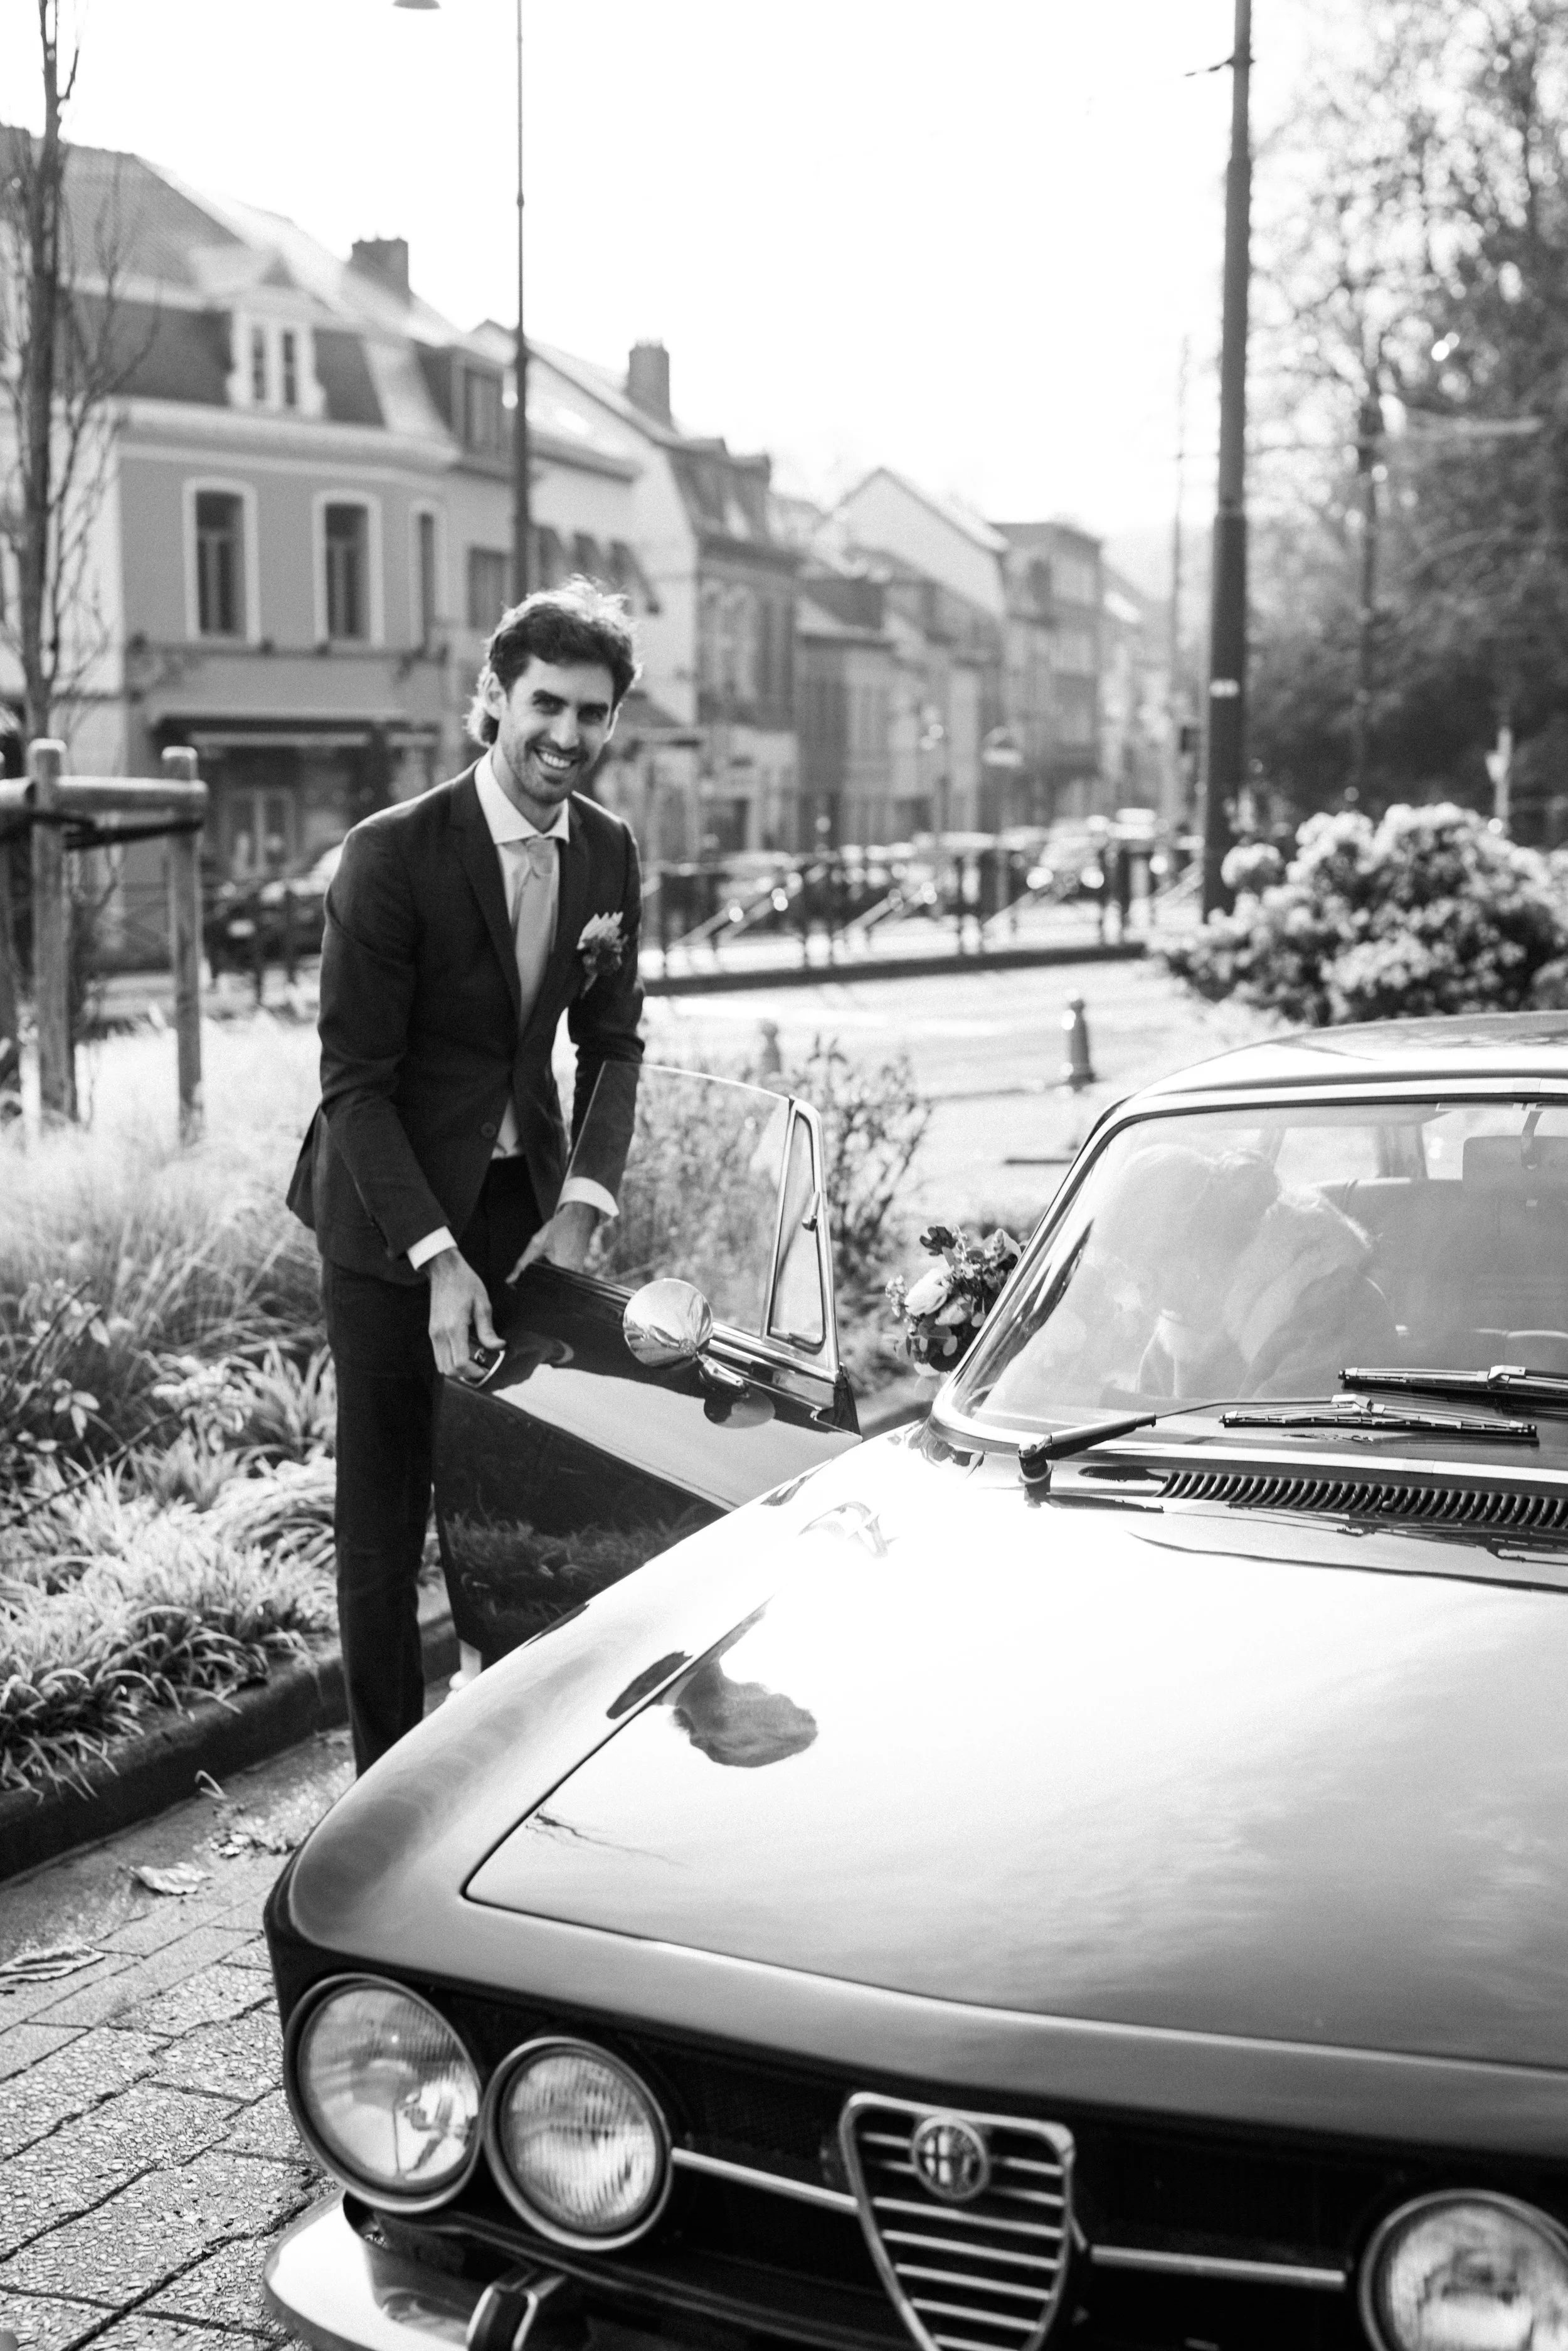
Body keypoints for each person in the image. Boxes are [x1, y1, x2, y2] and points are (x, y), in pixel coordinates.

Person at [286, 580, 645, 1770]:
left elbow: (613, 1044)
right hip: (388, 1220)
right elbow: (356, 1085)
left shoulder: (608, 852)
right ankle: (385, 1791)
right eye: (547, 703)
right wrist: (433, 1258)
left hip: (519, 1205)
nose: (567, 735)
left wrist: (585, 1201)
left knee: (528, 1509)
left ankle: (519, 1771)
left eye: (592, 714)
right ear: (493, 699)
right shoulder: (390, 856)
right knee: (386, 1526)